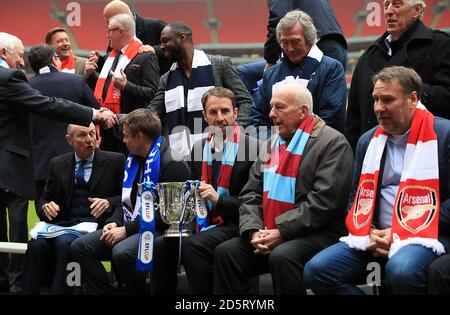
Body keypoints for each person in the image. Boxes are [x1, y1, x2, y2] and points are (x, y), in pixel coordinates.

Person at [304, 66, 450, 295]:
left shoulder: (444, 135)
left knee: (402, 270)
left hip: (429, 234)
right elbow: (355, 196)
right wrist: (368, 231)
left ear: (413, 99)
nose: (378, 108)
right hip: (373, 235)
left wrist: (402, 232)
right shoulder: (367, 140)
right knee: (317, 271)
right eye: (376, 99)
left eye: (388, 100)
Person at [0, 32, 115, 294]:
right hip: (14, 167)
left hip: (35, 163)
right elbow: (47, 105)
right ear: (4, 54)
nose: (21, 63)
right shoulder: (10, 78)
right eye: (19, 56)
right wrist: (94, 114)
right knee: (20, 227)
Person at [214, 80, 354, 295]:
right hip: (270, 230)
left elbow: (324, 202)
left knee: (283, 256)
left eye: (279, 107)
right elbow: (251, 193)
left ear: (302, 111)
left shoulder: (333, 143)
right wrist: (253, 231)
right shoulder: (271, 144)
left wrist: (281, 231)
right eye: (271, 106)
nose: (271, 113)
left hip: (320, 233)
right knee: (227, 252)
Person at [70, 108, 190, 294]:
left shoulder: (173, 164)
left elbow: (170, 216)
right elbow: (126, 201)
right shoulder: (134, 159)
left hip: (162, 231)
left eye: (126, 136)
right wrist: (114, 222)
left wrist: (126, 230)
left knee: (123, 252)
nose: (124, 141)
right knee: (80, 247)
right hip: (133, 226)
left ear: (139, 137)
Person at [150, 87, 258, 294]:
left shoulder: (253, 148)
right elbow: (189, 193)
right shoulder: (199, 147)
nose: (220, 118)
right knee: (162, 244)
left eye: (225, 111)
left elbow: (255, 204)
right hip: (203, 221)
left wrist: (218, 199)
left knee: (192, 245)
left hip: (238, 223)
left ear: (235, 113)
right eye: (213, 112)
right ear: (204, 116)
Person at [21, 123, 124, 295]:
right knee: (36, 245)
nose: (90, 140)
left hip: (97, 226)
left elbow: (127, 198)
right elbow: (44, 200)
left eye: (92, 134)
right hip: (63, 225)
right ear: (69, 140)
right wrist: (46, 207)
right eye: (83, 135)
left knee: (65, 243)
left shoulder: (115, 160)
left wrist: (108, 202)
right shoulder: (57, 163)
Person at [345, 0, 450, 151]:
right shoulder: (368, 56)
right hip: (374, 159)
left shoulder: (441, 46)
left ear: (416, 10)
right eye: (386, 5)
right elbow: (353, 119)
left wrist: (409, 92)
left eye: (397, 4)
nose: (388, 11)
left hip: (424, 153)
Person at [148, 22, 252, 159]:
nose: (161, 47)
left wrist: (234, 132)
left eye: (165, 41)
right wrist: (115, 117)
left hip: (221, 151)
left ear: (182, 37)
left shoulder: (219, 65)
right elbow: (150, 114)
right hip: (182, 159)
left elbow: (245, 100)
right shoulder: (166, 79)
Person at [249, 10, 347, 140]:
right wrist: (275, 143)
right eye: (284, 42)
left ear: (309, 39)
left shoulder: (331, 69)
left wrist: (297, 143)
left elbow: (332, 118)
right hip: (275, 153)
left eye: (295, 42)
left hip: (316, 152)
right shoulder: (271, 74)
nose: (289, 48)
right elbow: (257, 118)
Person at [27, 44, 100, 212]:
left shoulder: (26, 88)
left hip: (40, 164)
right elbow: (95, 112)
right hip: (77, 161)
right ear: (54, 60)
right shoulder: (76, 81)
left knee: (46, 214)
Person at [236, 0, 348, 94]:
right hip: (338, 47)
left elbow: (278, 19)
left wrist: (270, 60)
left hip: (317, 48)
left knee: (241, 74)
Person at [86, 13, 160, 154]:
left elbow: (153, 94)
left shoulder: (145, 56)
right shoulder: (109, 57)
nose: (107, 35)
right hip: (108, 128)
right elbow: (105, 89)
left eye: (109, 31)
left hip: (132, 132)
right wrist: (90, 76)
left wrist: (127, 86)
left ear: (120, 31)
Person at [88, 0, 169, 77]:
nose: (108, 27)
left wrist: (154, 49)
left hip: (159, 85)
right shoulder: (115, 32)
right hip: (126, 87)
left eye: (109, 22)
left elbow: (176, 46)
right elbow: (112, 61)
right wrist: (98, 61)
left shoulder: (155, 26)